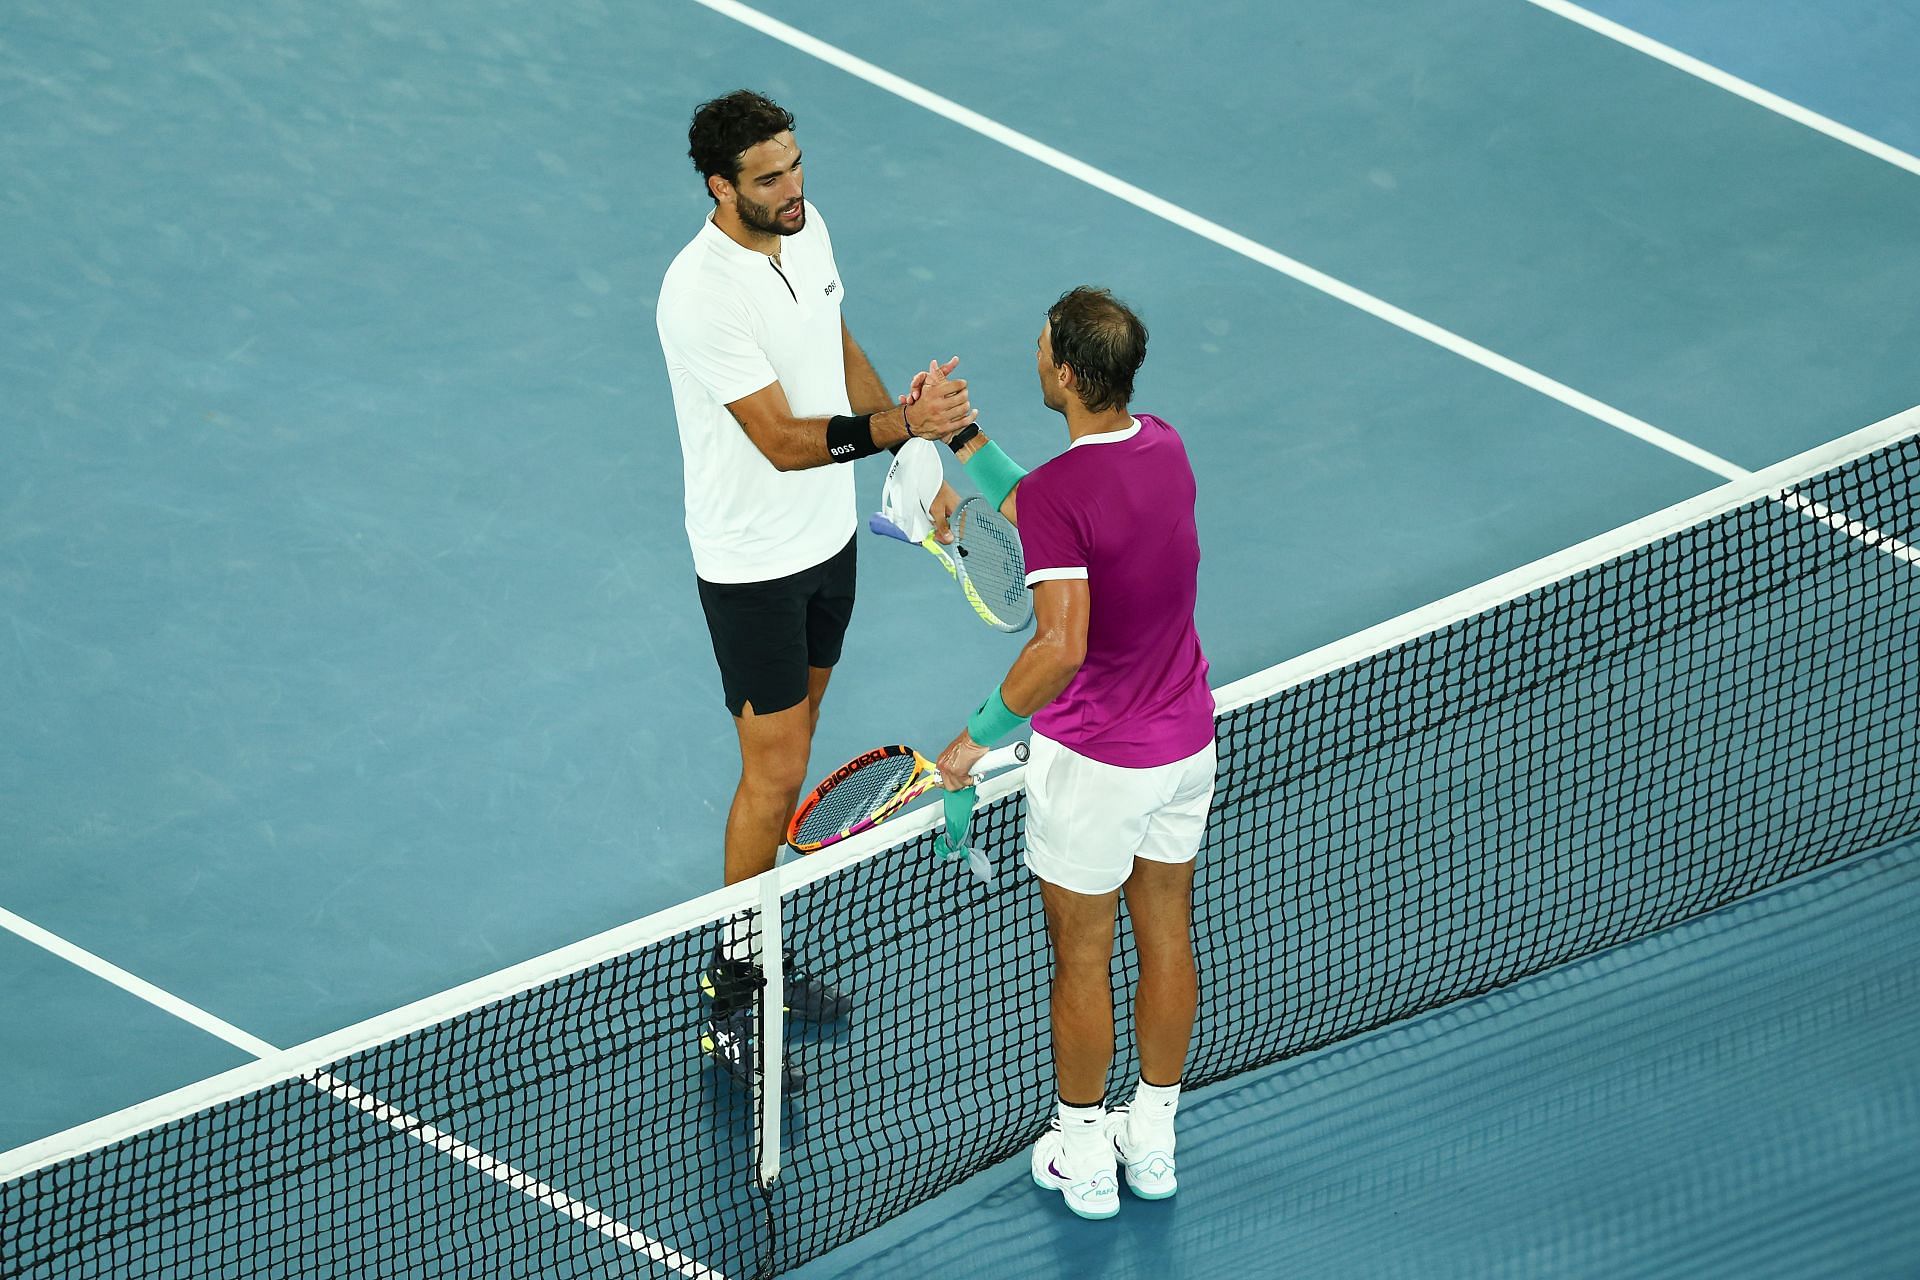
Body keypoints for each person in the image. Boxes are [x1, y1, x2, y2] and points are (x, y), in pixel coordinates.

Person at [656, 90, 975, 1089]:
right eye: (768, 178)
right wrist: (896, 433)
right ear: (720, 186)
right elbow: (786, 441)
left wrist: (913, 439)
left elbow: (836, 346)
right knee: (773, 772)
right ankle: (733, 983)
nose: (793, 189)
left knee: (791, 765)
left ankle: (760, 946)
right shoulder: (697, 294)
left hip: (827, 544)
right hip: (752, 565)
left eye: (796, 167)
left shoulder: (809, 229)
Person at [935, 287, 1215, 1218]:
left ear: (1060, 370)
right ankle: (1156, 1138)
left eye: (1042, 341)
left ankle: (1087, 1153)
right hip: (1184, 748)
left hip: (1097, 763)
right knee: (1166, 930)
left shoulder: (1062, 496)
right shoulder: (1165, 445)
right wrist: (964, 440)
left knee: (1082, 958)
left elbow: (1059, 645)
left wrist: (971, 741)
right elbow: (1055, 508)